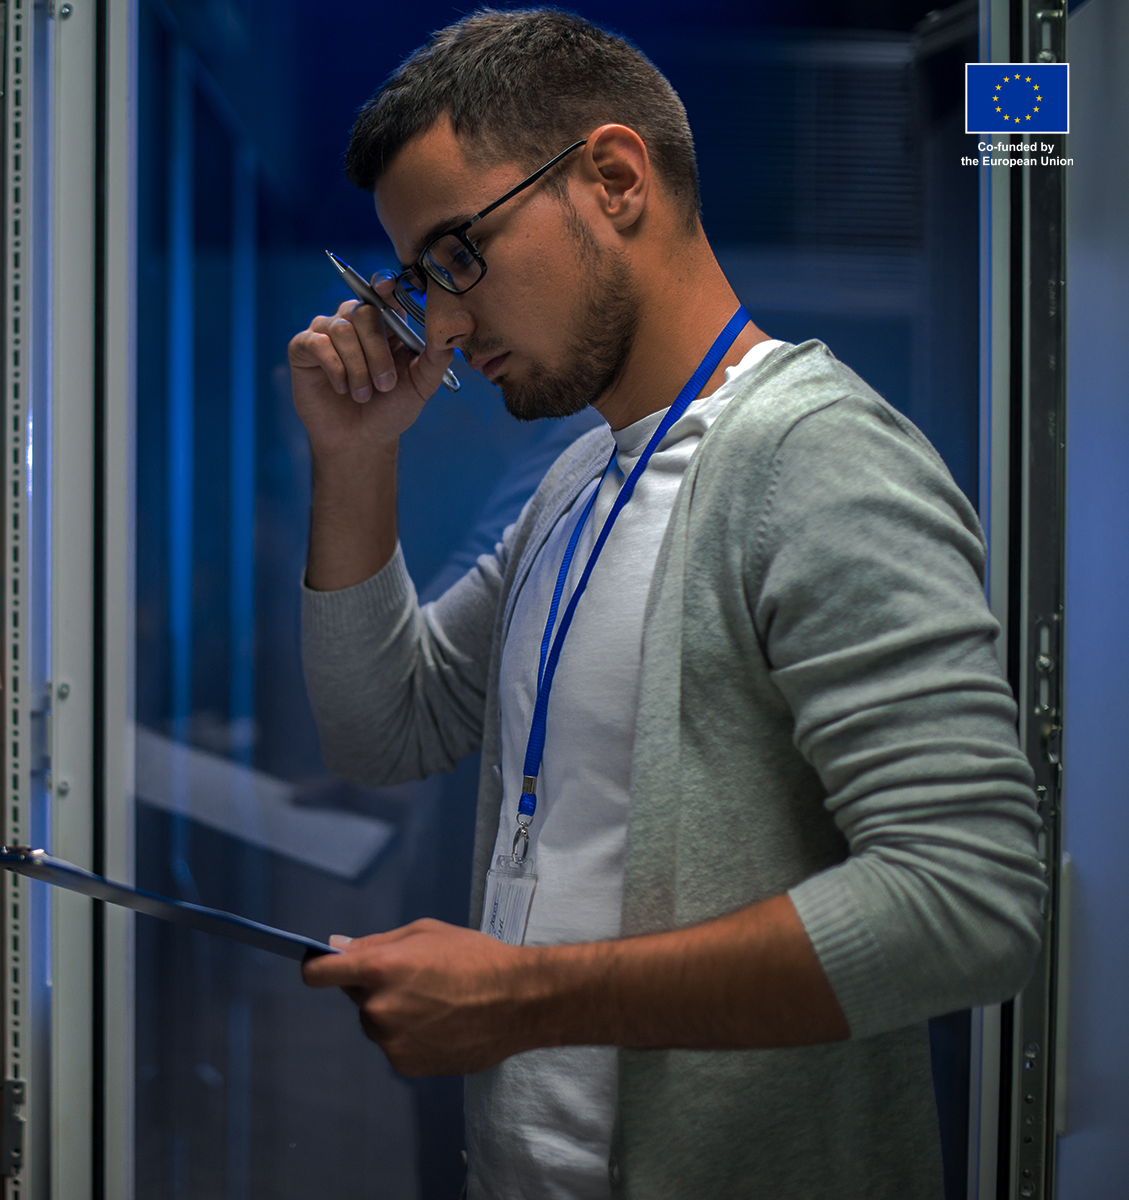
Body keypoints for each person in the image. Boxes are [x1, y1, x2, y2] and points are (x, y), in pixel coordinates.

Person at [291, 10, 1043, 1199]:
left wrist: (525, 996)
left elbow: (970, 901)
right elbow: (387, 730)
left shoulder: (816, 460)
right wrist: (354, 458)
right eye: (412, 278)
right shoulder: (580, 479)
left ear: (612, 178)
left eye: (455, 256)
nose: (435, 321)